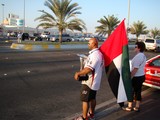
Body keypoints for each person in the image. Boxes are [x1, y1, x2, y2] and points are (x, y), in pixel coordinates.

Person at [74, 38, 104, 120]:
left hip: (89, 82)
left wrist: (78, 73)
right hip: (95, 81)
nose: (88, 44)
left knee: (85, 100)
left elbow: (89, 69)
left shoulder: (95, 55)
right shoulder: (98, 54)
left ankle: (84, 117)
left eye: (89, 43)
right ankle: (91, 113)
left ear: (94, 44)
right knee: (92, 98)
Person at [123, 42, 146, 112]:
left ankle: (130, 106)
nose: (134, 47)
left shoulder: (139, 56)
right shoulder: (142, 55)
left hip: (136, 77)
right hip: (141, 75)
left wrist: (129, 77)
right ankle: (137, 106)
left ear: (139, 48)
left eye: (136, 46)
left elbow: (135, 69)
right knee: (138, 91)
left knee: (131, 91)